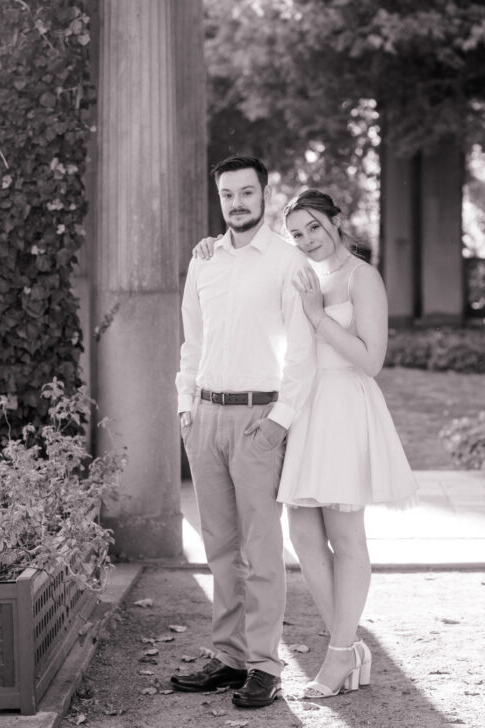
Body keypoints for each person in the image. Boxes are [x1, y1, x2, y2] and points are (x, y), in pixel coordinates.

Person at [194, 187, 417, 700]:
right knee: (302, 533)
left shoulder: (364, 278)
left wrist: (318, 317)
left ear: (336, 222)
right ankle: (351, 643)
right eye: (296, 232)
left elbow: (372, 360)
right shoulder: (298, 273)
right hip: (303, 412)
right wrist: (209, 247)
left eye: (314, 226)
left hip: (343, 408)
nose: (306, 239)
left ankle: (338, 655)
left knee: (345, 535)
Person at [172, 155, 316, 710]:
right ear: (221, 198)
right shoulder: (204, 261)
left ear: (264, 195)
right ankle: (229, 658)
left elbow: (301, 350)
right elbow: (193, 340)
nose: (236, 202)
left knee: (260, 549)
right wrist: (186, 408)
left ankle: (264, 665)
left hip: (259, 420)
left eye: (246, 192)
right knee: (220, 549)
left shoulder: (287, 262)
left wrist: (278, 423)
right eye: (228, 194)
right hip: (204, 419)